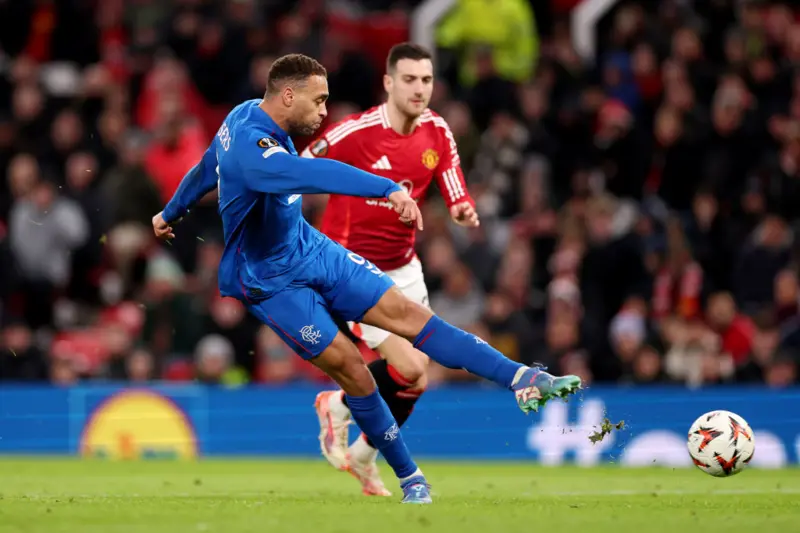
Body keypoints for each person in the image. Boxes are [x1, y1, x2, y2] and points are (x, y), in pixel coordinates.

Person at [152, 53, 581, 504]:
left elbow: (204, 167)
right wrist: (387, 187)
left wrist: (171, 211)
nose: (323, 112)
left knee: (407, 315)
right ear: (288, 95)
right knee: (352, 368)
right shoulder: (252, 153)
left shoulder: (242, 112)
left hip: (310, 249)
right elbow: (312, 173)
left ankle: (521, 378)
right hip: (270, 282)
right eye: (318, 102)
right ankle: (410, 476)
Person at [302, 43, 478, 496]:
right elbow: (300, 166)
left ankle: (362, 454)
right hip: (354, 269)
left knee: (416, 378)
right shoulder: (356, 132)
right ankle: (340, 404)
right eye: (410, 79)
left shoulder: (437, 131)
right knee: (407, 363)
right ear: (389, 83)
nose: (420, 89)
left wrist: (462, 209)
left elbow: (452, 179)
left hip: (405, 267)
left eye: (426, 80)